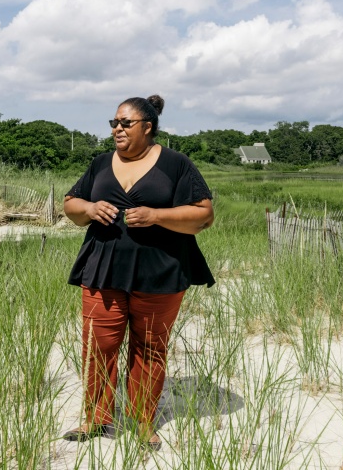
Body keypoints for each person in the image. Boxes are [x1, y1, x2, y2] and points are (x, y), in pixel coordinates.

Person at [62, 94, 215, 450]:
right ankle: (95, 418)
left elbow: (204, 215)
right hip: (102, 269)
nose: (116, 128)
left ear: (147, 127)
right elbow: (70, 204)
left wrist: (157, 216)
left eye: (124, 123)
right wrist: (89, 206)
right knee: (98, 345)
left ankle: (143, 421)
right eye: (113, 123)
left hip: (159, 271)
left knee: (149, 348)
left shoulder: (176, 164)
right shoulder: (101, 163)